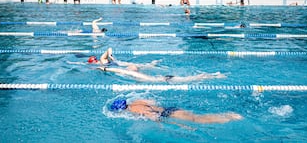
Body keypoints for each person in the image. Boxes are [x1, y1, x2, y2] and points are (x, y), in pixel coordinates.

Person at [109, 99, 243, 124]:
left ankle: (230, 117)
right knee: (197, 116)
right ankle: (227, 116)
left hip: (170, 114)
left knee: (198, 120)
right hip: (170, 108)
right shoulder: (136, 101)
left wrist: (163, 125)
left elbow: (153, 116)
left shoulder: (134, 110)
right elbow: (153, 102)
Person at [97, 65, 226, 83]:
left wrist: (105, 69)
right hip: (164, 78)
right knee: (191, 78)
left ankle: (214, 75)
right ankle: (213, 74)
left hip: (165, 80)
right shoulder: (137, 75)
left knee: (192, 79)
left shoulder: (134, 75)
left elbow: (119, 70)